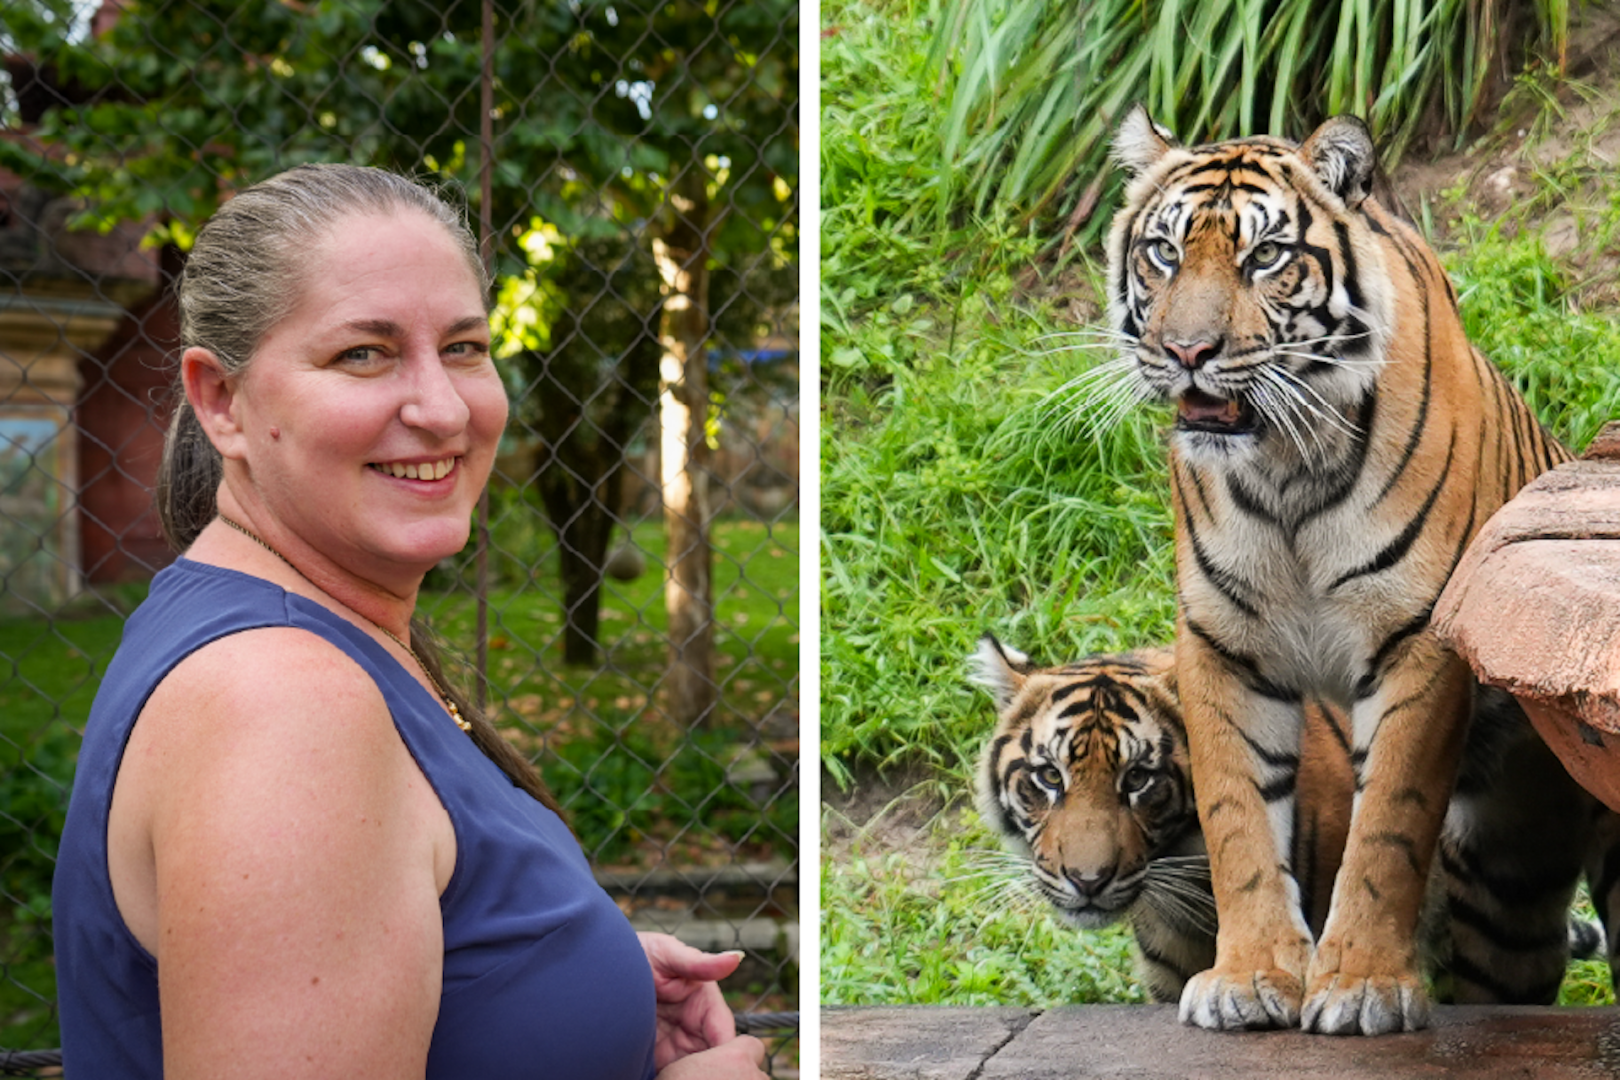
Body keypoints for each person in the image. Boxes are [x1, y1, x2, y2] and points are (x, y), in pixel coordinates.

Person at [52, 163, 771, 1080]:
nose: (441, 409)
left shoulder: (289, 623)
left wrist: (578, 974)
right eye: (364, 354)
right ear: (221, 401)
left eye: (465, 348)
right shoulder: (286, 709)